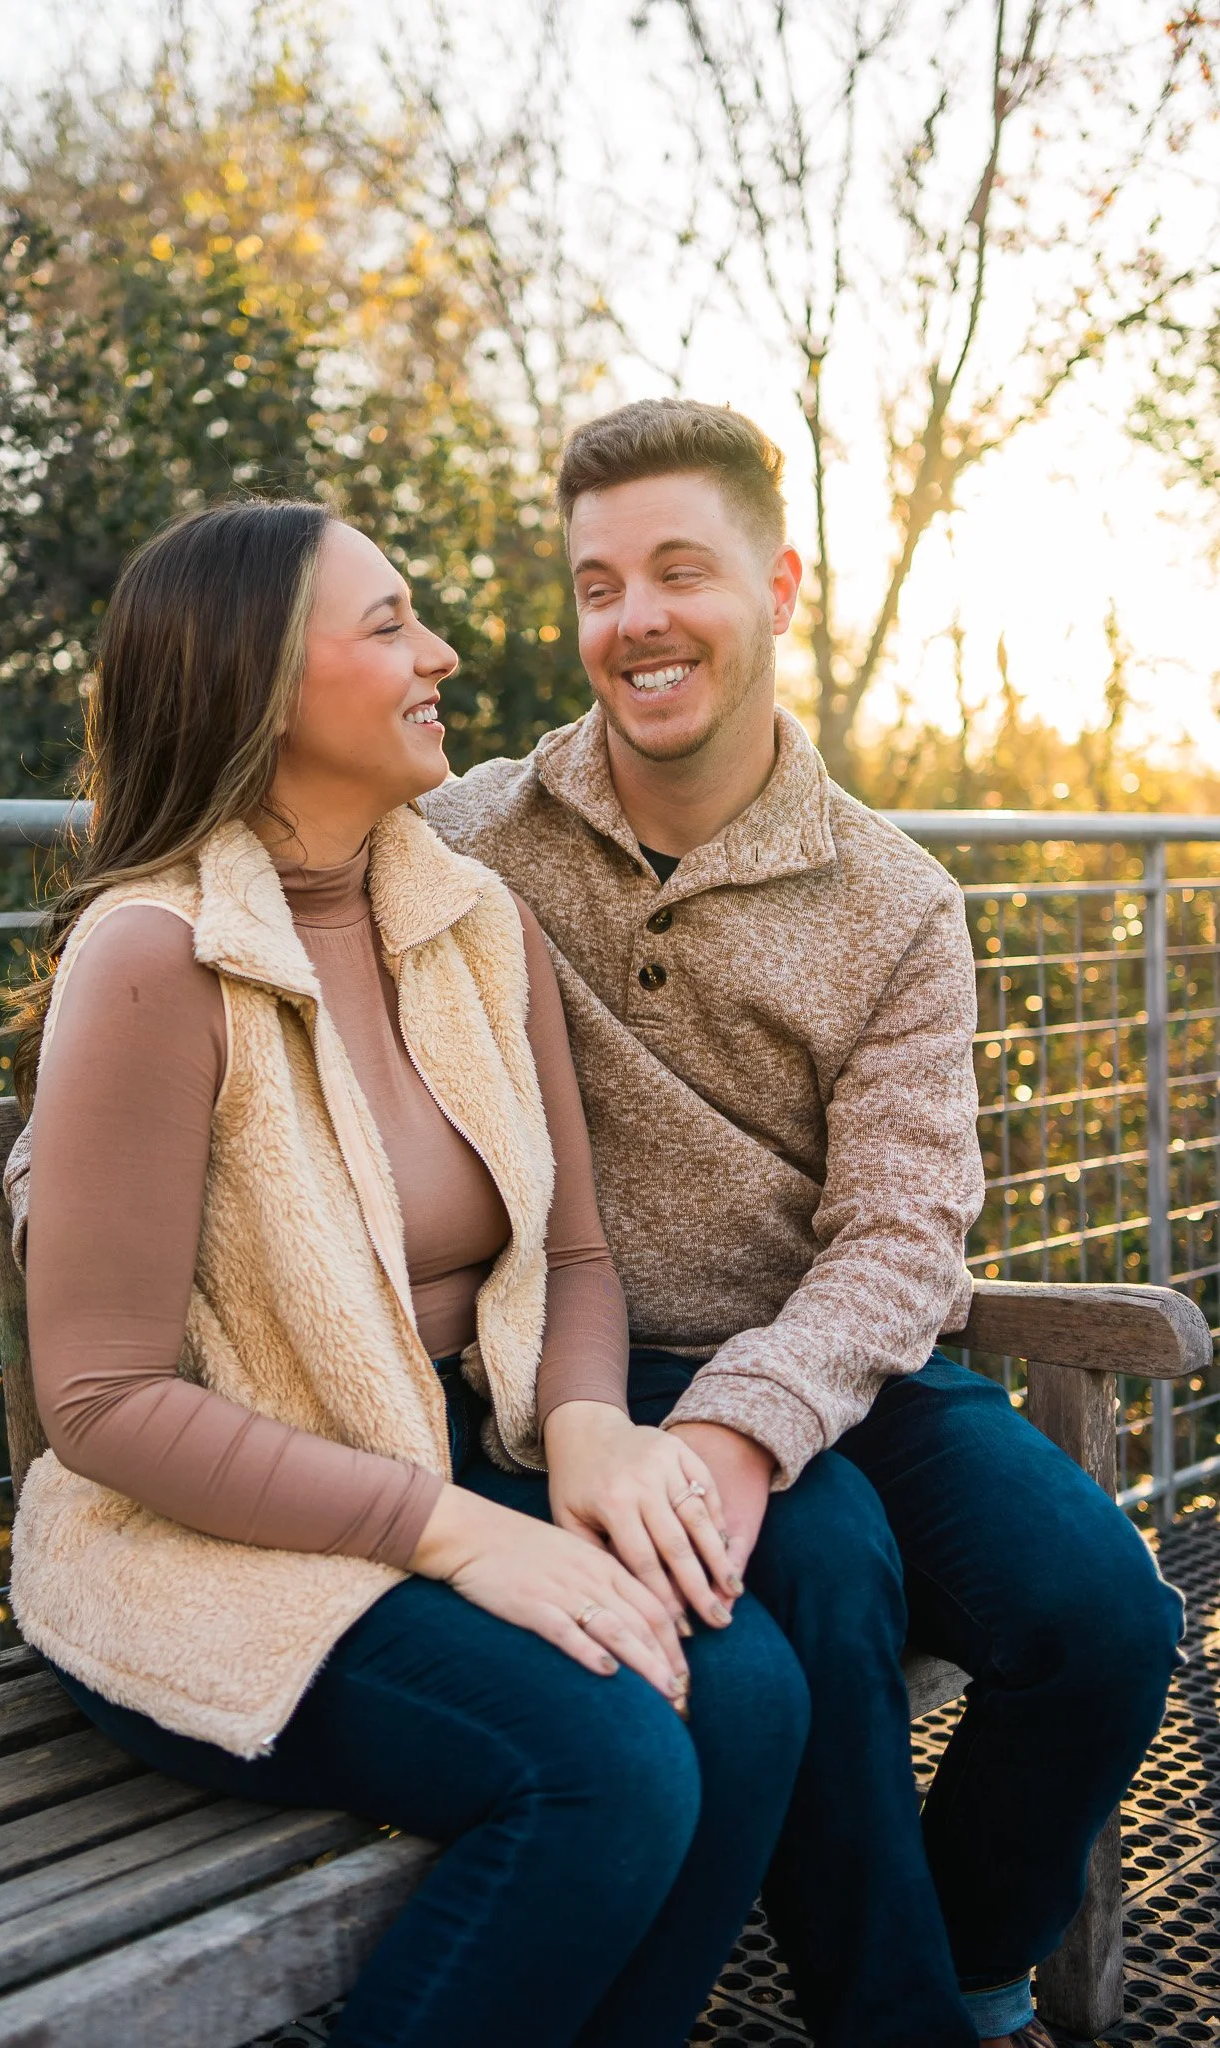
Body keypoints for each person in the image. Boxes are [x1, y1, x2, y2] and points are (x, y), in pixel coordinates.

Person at [422, 398, 1185, 2048]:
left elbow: (905, 1237)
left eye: (678, 571)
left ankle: (970, 1963)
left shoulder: (896, 898)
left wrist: (756, 1424)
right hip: (581, 1362)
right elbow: (247, 862)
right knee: (825, 1588)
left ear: (782, 584)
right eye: (598, 584)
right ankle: (888, 2014)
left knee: (1109, 1618)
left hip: (833, 1358)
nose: (635, 622)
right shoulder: (475, 835)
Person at [2, 497, 810, 2048]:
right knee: (611, 1762)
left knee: (758, 1697)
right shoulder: (154, 957)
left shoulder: (468, 920)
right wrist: (446, 1535)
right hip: (211, 1542)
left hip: (453, 1458)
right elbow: (100, 1401)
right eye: (387, 625)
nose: (439, 651)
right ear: (255, 684)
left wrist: (583, 1427)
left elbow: (572, 1247)